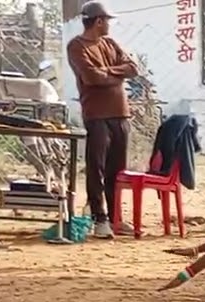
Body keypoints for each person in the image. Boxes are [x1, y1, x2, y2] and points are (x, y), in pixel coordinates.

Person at [66, 0, 137, 240]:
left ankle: (116, 216)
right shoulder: (77, 46)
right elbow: (91, 78)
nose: (108, 25)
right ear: (98, 21)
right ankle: (99, 217)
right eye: (106, 20)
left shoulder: (110, 43)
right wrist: (116, 73)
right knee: (96, 167)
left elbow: (132, 68)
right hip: (97, 114)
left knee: (117, 169)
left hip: (120, 113)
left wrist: (108, 72)